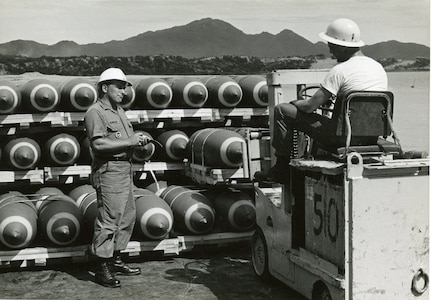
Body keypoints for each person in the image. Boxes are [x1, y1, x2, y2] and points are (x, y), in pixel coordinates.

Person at [254, 18, 388, 184]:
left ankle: (281, 169)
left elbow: (310, 107)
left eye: (332, 46)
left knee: (282, 110)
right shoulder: (378, 68)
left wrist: (296, 103)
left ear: (342, 46)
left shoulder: (340, 71)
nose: (331, 52)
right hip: (371, 136)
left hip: (341, 137)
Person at [84, 67, 149, 288]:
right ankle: (102, 266)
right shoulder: (96, 112)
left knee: (127, 217)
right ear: (105, 87)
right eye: (119, 87)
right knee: (109, 220)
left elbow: (124, 139)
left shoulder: (118, 110)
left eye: (125, 88)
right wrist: (129, 142)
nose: (124, 92)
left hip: (124, 170)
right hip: (109, 171)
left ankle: (115, 259)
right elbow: (98, 144)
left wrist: (137, 141)